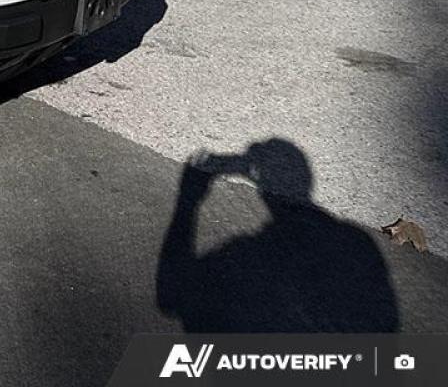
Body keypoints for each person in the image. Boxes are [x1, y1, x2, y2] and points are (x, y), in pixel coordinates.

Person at [156, 138, 398, 332]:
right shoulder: (357, 244)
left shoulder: (245, 260)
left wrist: (187, 201)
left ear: (263, 191)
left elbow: (169, 296)